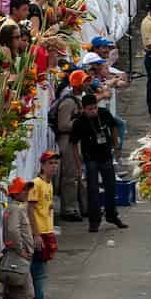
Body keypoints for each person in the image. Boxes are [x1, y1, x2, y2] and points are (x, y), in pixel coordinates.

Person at [70, 93, 127, 233]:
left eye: (95, 108)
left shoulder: (104, 113)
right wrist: (78, 166)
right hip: (90, 159)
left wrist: (115, 145)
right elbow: (74, 145)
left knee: (111, 187)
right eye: (90, 109)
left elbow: (113, 126)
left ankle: (112, 215)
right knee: (93, 191)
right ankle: (94, 221)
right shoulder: (79, 122)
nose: (94, 111)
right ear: (83, 109)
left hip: (106, 155)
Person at [0, 177, 43, 299]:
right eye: (24, 190)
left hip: (15, 256)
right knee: (26, 294)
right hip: (19, 257)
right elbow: (12, 231)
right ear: (16, 193)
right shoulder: (16, 209)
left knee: (12, 295)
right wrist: (21, 250)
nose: (27, 193)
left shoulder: (13, 208)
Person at [28, 151, 59, 299]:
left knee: (42, 270)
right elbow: (30, 210)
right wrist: (36, 234)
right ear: (42, 165)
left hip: (47, 232)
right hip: (40, 234)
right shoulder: (36, 184)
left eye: (55, 163)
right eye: (51, 163)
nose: (54, 166)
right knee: (37, 271)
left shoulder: (48, 184)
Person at [54, 70, 88, 221]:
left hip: (76, 140)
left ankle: (81, 207)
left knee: (78, 175)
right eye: (84, 81)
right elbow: (62, 125)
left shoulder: (77, 100)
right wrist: (80, 122)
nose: (87, 83)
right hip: (67, 142)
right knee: (70, 175)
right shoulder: (68, 102)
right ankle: (69, 209)